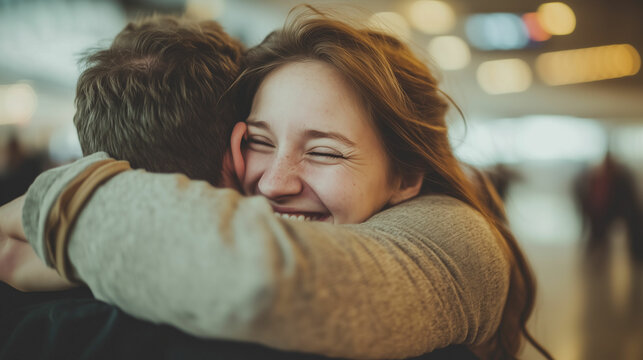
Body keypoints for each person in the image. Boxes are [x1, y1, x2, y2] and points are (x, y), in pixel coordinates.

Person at [1, 7, 551, 360]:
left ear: (406, 175)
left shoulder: (456, 242)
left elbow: (263, 276)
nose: (274, 182)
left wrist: (57, 210)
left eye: (325, 151)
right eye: (259, 142)